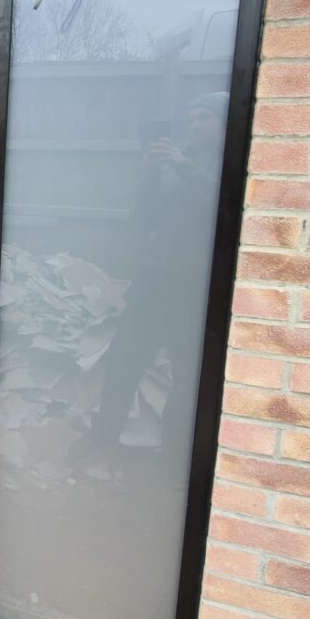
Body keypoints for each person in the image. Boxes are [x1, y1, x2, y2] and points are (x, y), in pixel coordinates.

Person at [71, 91, 229, 479]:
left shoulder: (229, 163)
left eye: (203, 118)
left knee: (186, 376)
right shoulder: (177, 164)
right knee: (123, 362)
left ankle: (174, 460)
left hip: (196, 291)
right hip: (154, 284)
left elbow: (223, 205)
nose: (193, 126)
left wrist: (183, 165)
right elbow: (144, 217)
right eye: (190, 118)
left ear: (224, 124)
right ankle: (102, 439)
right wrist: (150, 172)